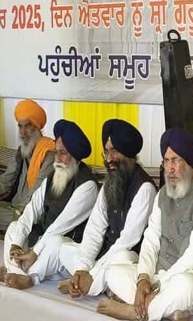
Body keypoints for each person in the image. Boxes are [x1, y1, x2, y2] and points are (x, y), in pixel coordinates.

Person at [97, 128, 193, 321]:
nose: (170, 169)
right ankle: (172, 310)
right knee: (114, 271)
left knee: (186, 287)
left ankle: (135, 311)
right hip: (159, 277)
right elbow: (151, 240)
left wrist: (156, 287)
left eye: (175, 160)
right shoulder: (163, 195)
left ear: (190, 163)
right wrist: (143, 279)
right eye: (166, 161)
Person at [57, 119, 156, 298]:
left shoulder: (144, 188)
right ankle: (88, 281)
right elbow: (95, 228)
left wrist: (92, 276)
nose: (109, 159)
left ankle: (91, 284)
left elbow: (127, 241)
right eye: (106, 151)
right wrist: (82, 269)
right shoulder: (110, 182)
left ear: (128, 153)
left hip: (129, 257)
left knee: (119, 259)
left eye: (115, 151)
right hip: (105, 255)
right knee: (62, 248)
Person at [0, 120, 98, 289]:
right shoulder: (53, 176)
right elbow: (31, 210)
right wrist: (16, 244)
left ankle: (29, 277)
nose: (57, 158)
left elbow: (61, 225)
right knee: (15, 226)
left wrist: (34, 252)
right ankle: (16, 271)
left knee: (56, 242)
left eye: (63, 153)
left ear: (75, 156)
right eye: (56, 152)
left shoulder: (87, 186)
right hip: (41, 240)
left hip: (64, 249)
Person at [0, 99, 55, 230]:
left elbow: (38, 191)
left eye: (28, 126)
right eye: (20, 126)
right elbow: (6, 180)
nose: (23, 132)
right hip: (13, 207)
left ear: (37, 126)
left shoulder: (49, 153)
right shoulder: (21, 151)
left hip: (31, 212)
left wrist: (20, 211)